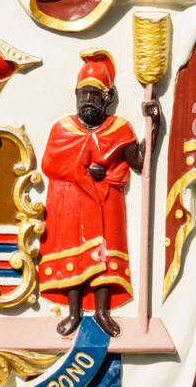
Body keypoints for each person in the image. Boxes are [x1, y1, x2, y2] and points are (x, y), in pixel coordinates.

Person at [39, 54, 159, 338]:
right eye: (84, 94)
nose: (88, 100)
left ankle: (103, 312)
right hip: (72, 204)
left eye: (94, 94)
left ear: (108, 97)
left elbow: (139, 162)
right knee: (76, 254)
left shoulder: (119, 129)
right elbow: (50, 165)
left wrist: (154, 122)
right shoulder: (63, 129)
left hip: (107, 203)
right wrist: (81, 169)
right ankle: (74, 311)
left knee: (104, 256)